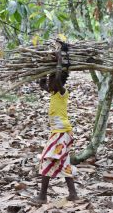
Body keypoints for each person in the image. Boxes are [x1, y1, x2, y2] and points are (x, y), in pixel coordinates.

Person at [30, 50, 78, 205]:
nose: (49, 84)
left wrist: (59, 62)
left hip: (61, 133)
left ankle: (42, 197)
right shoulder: (53, 92)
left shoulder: (62, 92)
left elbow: (56, 80)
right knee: (63, 163)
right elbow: (42, 83)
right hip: (59, 133)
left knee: (46, 160)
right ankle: (73, 194)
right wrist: (43, 71)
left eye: (52, 81)